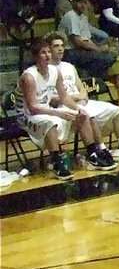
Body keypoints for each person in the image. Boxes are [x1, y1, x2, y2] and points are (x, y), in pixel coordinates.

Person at [17, 38, 114, 179]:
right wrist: (59, 113)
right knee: (50, 122)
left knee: (81, 115)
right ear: (36, 57)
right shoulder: (29, 77)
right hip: (26, 115)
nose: (48, 55)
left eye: (49, 52)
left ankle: (93, 155)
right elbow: (32, 108)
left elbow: (63, 97)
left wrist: (77, 108)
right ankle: (57, 163)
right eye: (43, 53)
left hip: (45, 109)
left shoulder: (55, 71)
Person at [46, 32, 119, 166]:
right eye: (56, 46)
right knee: (87, 115)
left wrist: (77, 97)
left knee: (116, 110)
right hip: (63, 108)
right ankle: (101, 150)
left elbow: (84, 92)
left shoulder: (69, 66)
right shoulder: (46, 70)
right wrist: (73, 98)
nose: (60, 49)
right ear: (49, 49)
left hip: (81, 103)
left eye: (62, 46)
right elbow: (52, 99)